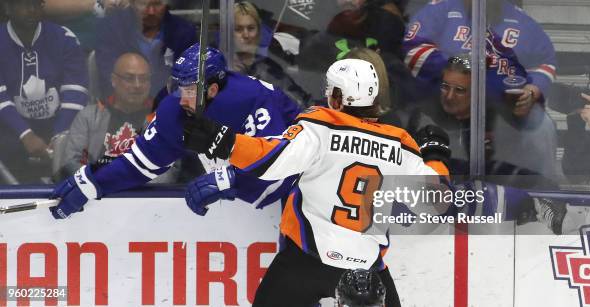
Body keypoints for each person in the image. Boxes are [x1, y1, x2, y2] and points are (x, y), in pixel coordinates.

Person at [180, 58, 451, 306]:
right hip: (367, 270)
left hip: (305, 263)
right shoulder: (400, 143)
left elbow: (270, 160)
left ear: (336, 97)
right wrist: (435, 156)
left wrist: (220, 139)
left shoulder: (320, 125)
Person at [48, 44, 301, 218]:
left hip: (305, 189)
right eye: (180, 88)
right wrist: (92, 182)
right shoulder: (175, 108)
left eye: (190, 90)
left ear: (211, 90)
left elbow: (282, 167)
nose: (181, 98)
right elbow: (140, 164)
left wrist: (230, 180)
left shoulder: (251, 99)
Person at [407, 54, 558, 186]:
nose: (449, 96)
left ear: (478, 92)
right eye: (445, 87)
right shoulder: (423, 117)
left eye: (459, 90)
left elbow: (517, 176)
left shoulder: (502, 122)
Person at [403, 0, 557, 118]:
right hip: (443, 108)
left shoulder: (522, 21)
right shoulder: (441, 8)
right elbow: (412, 48)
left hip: (503, 115)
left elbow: (544, 62)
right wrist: (461, 68)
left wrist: (532, 90)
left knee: (542, 127)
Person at [0, 0, 89, 183]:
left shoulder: (64, 38)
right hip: (10, 128)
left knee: (82, 150)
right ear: (8, 8)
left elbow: (76, 92)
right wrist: (25, 134)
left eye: (37, 4)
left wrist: (59, 134)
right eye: (24, 5)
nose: (32, 10)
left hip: (60, 124)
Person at [58, 52, 152, 178]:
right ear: (114, 80)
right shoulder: (88, 117)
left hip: (145, 196)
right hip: (96, 193)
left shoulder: (162, 120)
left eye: (143, 78)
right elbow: (71, 163)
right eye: (129, 78)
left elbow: (167, 170)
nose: (137, 85)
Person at [95, 0, 197, 98]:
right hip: (123, 106)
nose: (151, 11)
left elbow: (188, 80)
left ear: (166, 3)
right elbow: (107, 76)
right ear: (132, 3)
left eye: (157, 4)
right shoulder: (111, 28)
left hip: (168, 104)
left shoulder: (185, 33)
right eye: (143, 4)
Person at [230, 1, 311, 107]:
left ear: (259, 31)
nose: (246, 35)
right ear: (229, 32)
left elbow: (301, 104)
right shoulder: (220, 66)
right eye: (238, 29)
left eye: (251, 28)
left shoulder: (270, 69)